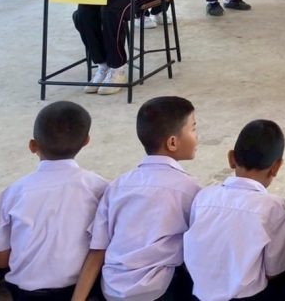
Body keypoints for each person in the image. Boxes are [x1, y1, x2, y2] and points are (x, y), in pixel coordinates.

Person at [73, 96, 200, 301]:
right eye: (193, 129)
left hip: (112, 289)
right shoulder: (190, 190)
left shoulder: (117, 186)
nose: (197, 136)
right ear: (172, 142)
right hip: (159, 290)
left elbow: (97, 250)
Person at [0, 101, 108, 301]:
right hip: (80, 288)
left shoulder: (12, 193)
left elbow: (0, 261)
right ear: (86, 141)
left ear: (32, 146)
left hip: (24, 293)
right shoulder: (99, 187)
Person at [184, 120, 285, 301]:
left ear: (231, 158)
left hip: (198, 294)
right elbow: (275, 271)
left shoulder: (203, 197)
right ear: (276, 167)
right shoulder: (273, 207)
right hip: (249, 297)